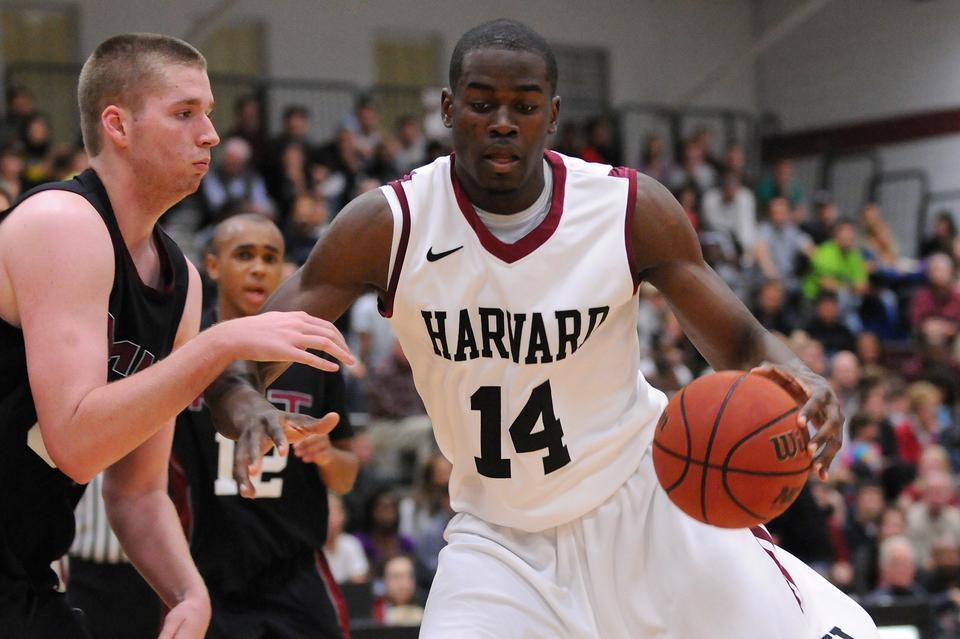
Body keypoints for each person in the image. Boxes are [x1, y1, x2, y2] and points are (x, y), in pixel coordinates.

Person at [206, 19, 878, 638]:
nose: (503, 122)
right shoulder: (387, 225)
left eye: (524, 106)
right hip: (500, 537)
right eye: (481, 102)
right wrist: (245, 401)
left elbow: (740, 343)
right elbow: (239, 357)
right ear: (446, 109)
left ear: (552, 116)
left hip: (647, 501)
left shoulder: (628, 207)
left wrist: (801, 377)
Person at [0, 33, 351, 639]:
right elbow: (77, 442)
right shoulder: (62, 222)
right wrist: (220, 343)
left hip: (22, 571)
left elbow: (135, 493)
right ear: (118, 125)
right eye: (185, 113)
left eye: (208, 113)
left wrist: (187, 590)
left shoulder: (181, 280)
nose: (210, 134)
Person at [172, 214, 356, 639]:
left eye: (269, 257)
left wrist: (327, 455)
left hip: (294, 572)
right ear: (213, 266)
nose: (258, 267)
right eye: (244, 255)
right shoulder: (188, 350)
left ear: (284, 271)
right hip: (203, 573)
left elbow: (346, 478)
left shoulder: (314, 354)